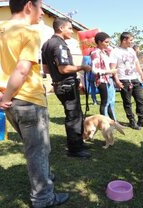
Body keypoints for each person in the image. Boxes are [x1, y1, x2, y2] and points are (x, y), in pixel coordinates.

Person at [0, 0, 69, 208]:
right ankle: (43, 197)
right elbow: (22, 70)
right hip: (29, 101)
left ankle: (46, 176)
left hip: (10, 105)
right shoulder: (30, 32)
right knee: (37, 150)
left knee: (38, 147)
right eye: (40, 6)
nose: (42, 12)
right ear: (28, 6)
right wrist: (4, 95)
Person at [41, 17, 91, 158]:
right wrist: (82, 67)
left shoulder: (46, 44)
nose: (71, 31)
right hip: (67, 85)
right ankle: (75, 149)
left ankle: (77, 142)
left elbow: (46, 69)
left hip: (59, 85)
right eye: (69, 28)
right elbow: (64, 68)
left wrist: (58, 74)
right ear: (61, 28)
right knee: (74, 117)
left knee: (74, 115)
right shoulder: (59, 45)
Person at [110, 32, 143, 130]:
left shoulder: (131, 50)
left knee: (140, 100)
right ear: (124, 40)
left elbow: (137, 63)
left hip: (135, 78)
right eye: (130, 40)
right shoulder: (115, 51)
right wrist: (117, 80)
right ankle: (132, 121)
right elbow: (113, 67)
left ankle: (141, 119)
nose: (132, 42)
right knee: (127, 102)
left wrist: (142, 75)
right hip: (124, 80)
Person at [90, 32, 117, 120]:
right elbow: (95, 70)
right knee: (105, 102)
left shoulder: (105, 52)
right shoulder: (95, 53)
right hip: (102, 80)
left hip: (109, 79)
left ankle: (113, 121)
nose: (108, 44)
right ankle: (105, 122)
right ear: (99, 42)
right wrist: (109, 71)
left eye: (108, 42)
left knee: (111, 101)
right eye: (106, 42)